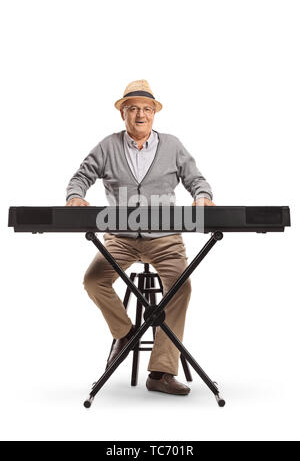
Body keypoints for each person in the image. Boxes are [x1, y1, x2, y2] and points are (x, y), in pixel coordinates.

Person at [66, 80, 215, 395]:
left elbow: (197, 179)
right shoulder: (108, 145)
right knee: (93, 280)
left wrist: (202, 196)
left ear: (154, 114)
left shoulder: (172, 146)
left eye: (146, 109)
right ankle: (126, 333)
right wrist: (76, 196)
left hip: (165, 241)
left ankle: (160, 373)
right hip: (119, 239)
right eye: (133, 108)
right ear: (123, 113)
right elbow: (81, 176)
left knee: (180, 287)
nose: (140, 115)